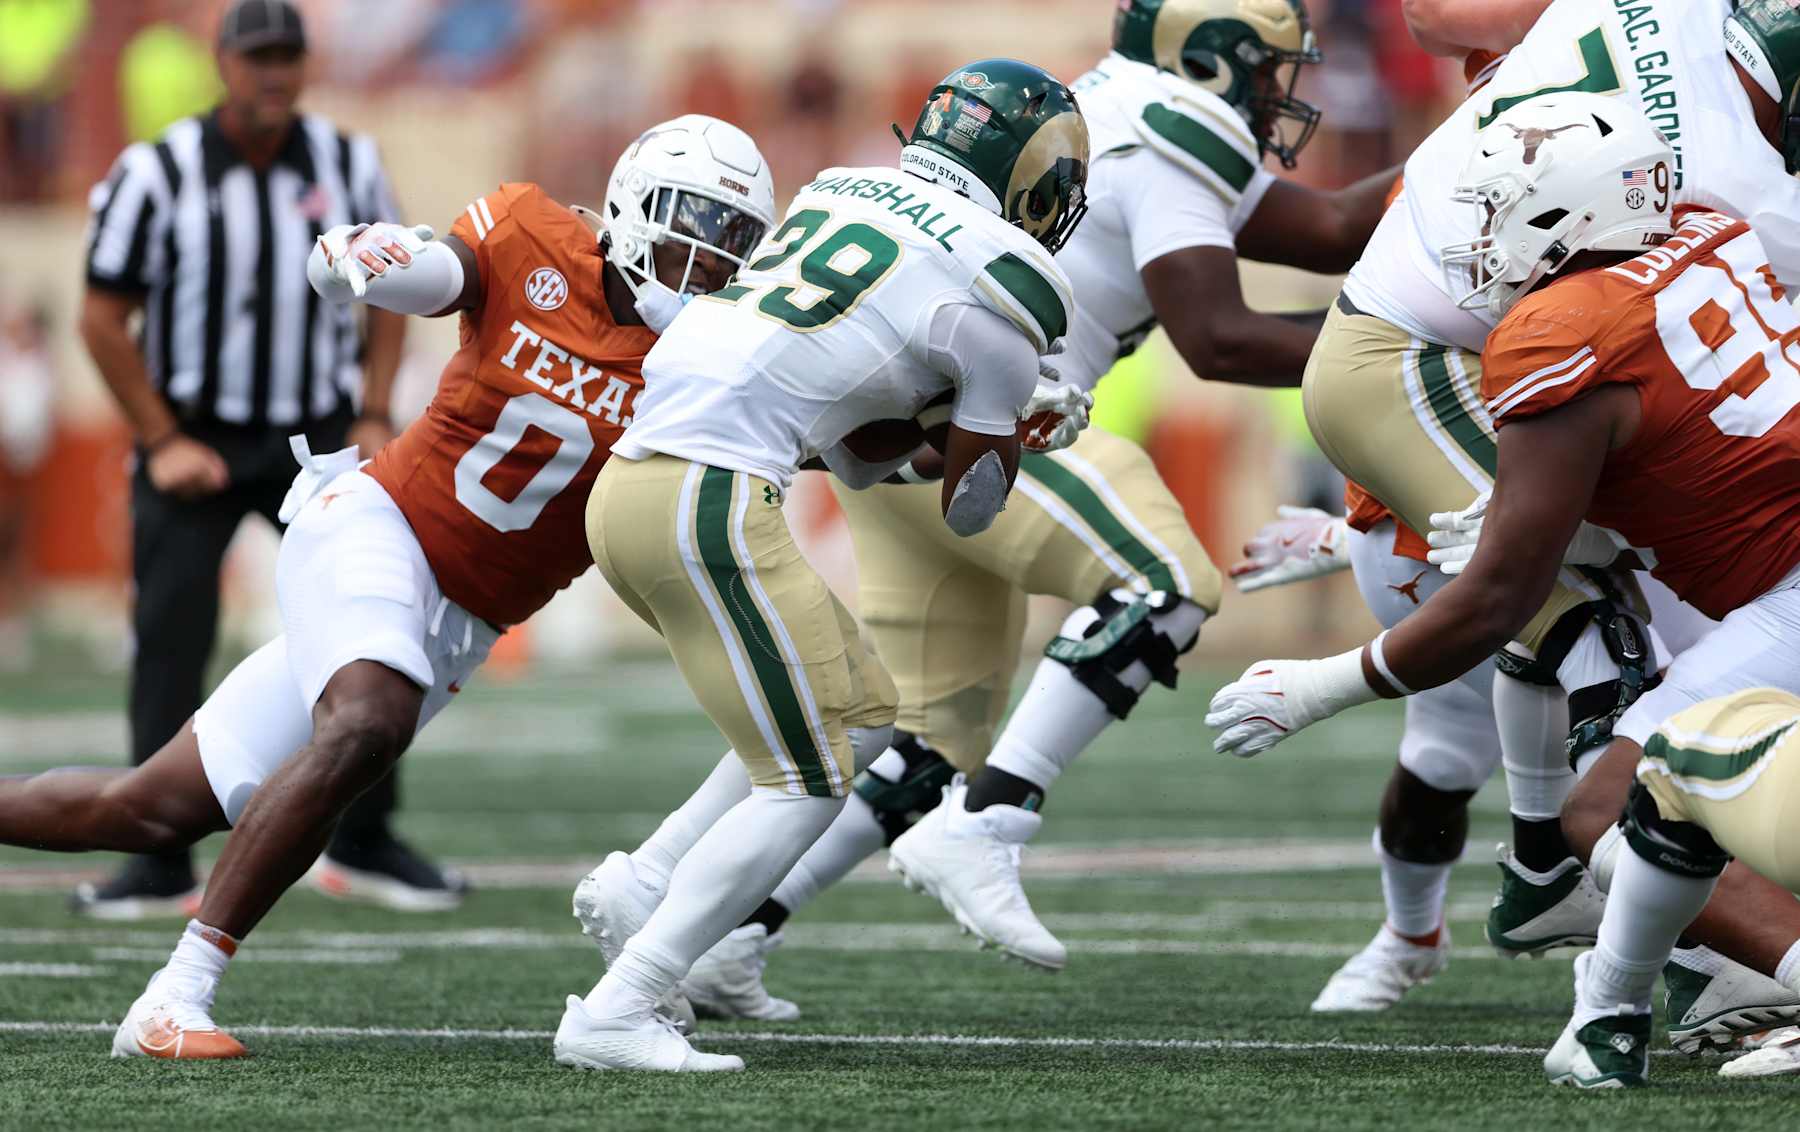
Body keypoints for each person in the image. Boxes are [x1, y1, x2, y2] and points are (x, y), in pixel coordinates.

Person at [672, 0, 1402, 1019]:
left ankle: (729, 932)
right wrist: (1400, 348)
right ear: (1211, 60)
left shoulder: (1125, 110)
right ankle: (995, 820)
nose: (1284, 92)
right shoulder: (1173, 127)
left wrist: (1470, 154)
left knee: (927, 732)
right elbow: (1218, 337)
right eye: (1271, 68)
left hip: (905, 443)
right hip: (1001, 417)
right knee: (1167, 583)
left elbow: (1328, 230)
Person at [0, 113, 775, 1059]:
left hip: (461, 619)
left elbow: (840, 442)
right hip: (378, 531)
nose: (705, 259)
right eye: (693, 223)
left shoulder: (717, 357)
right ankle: (175, 997)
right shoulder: (533, 232)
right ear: (633, 203)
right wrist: (366, 259)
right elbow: (440, 270)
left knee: (148, 808)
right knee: (369, 722)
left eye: (732, 242)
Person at [1203, 93, 1800, 1085]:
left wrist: (1325, 684)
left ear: (1582, 218)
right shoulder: (1712, 232)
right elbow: (1686, 446)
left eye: (1509, 213)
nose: (1484, 240)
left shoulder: (1560, 334)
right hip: (1772, 561)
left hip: (1783, 589)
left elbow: (1497, 598)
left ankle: (1751, 980)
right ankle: (1604, 1025)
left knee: (1611, 803)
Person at [559, 58, 1088, 1071]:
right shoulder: (1013, 281)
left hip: (637, 486)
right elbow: (972, 508)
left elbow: (856, 450)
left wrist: (976, 418)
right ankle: (620, 1006)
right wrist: (1021, 425)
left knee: (866, 707)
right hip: (706, 496)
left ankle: (648, 879)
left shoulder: (844, 188)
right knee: (809, 780)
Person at [74, 0, 443, 918]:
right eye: (258, 58)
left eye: (288, 57)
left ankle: (365, 837)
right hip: (193, 430)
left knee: (370, 622)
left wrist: (371, 410)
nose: (273, 75)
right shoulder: (155, 171)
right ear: (224, 64)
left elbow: (391, 294)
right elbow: (100, 318)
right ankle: (155, 856)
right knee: (170, 633)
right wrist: (161, 439)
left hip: (316, 435)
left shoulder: (348, 161)